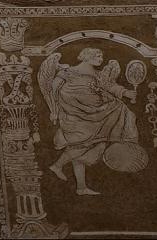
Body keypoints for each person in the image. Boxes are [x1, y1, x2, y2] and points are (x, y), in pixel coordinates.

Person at [44, 48, 139, 195]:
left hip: (96, 115)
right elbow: (53, 89)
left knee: (91, 146)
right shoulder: (68, 72)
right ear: (87, 56)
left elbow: (109, 86)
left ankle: (81, 187)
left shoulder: (98, 75)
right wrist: (54, 111)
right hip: (75, 115)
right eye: (97, 55)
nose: (101, 59)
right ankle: (57, 165)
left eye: (101, 56)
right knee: (83, 144)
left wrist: (125, 92)